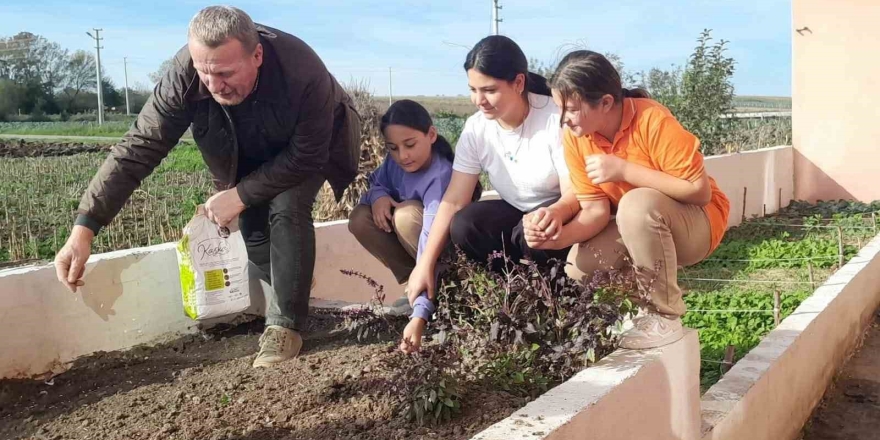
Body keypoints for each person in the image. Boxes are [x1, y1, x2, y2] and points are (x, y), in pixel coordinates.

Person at [52, 6, 361, 368]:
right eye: (205, 73)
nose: (214, 86)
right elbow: (138, 148)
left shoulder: (301, 69)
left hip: (311, 147)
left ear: (257, 55)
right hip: (247, 145)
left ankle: (286, 327)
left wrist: (239, 195)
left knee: (287, 205)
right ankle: (292, 293)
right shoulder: (183, 77)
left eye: (226, 73)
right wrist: (85, 226)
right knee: (253, 227)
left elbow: (306, 156)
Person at [525, 50, 730, 349]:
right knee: (579, 267)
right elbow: (594, 210)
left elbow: (699, 191)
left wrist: (624, 170)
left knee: (636, 204)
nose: (563, 119)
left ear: (606, 102)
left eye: (570, 109)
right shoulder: (577, 137)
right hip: (641, 226)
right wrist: (556, 239)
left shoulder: (652, 119)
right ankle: (636, 310)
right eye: (560, 108)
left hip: (699, 222)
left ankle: (664, 315)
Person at [400, 35, 580, 352]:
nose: (479, 100)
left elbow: (574, 194)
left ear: (519, 82)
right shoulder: (477, 128)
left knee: (532, 232)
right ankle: (515, 297)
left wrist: (551, 215)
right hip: (517, 213)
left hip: (561, 216)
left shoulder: (554, 118)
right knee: (466, 224)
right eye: (472, 90)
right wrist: (424, 264)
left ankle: (558, 306)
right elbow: (454, 199)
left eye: (489, 90)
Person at [348, 99, 479, 352]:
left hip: (445, 255)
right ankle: (415, 286)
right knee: (360, 218)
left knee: (406, 216)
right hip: (418, 252)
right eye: (393, 148)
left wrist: (418, 319)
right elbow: (376, 184)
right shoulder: (393, 163)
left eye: (410, 145)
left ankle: (434, 297)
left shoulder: (440, 176)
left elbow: (431, 238)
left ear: (431, 134)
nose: (402, 156)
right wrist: (379, 197)